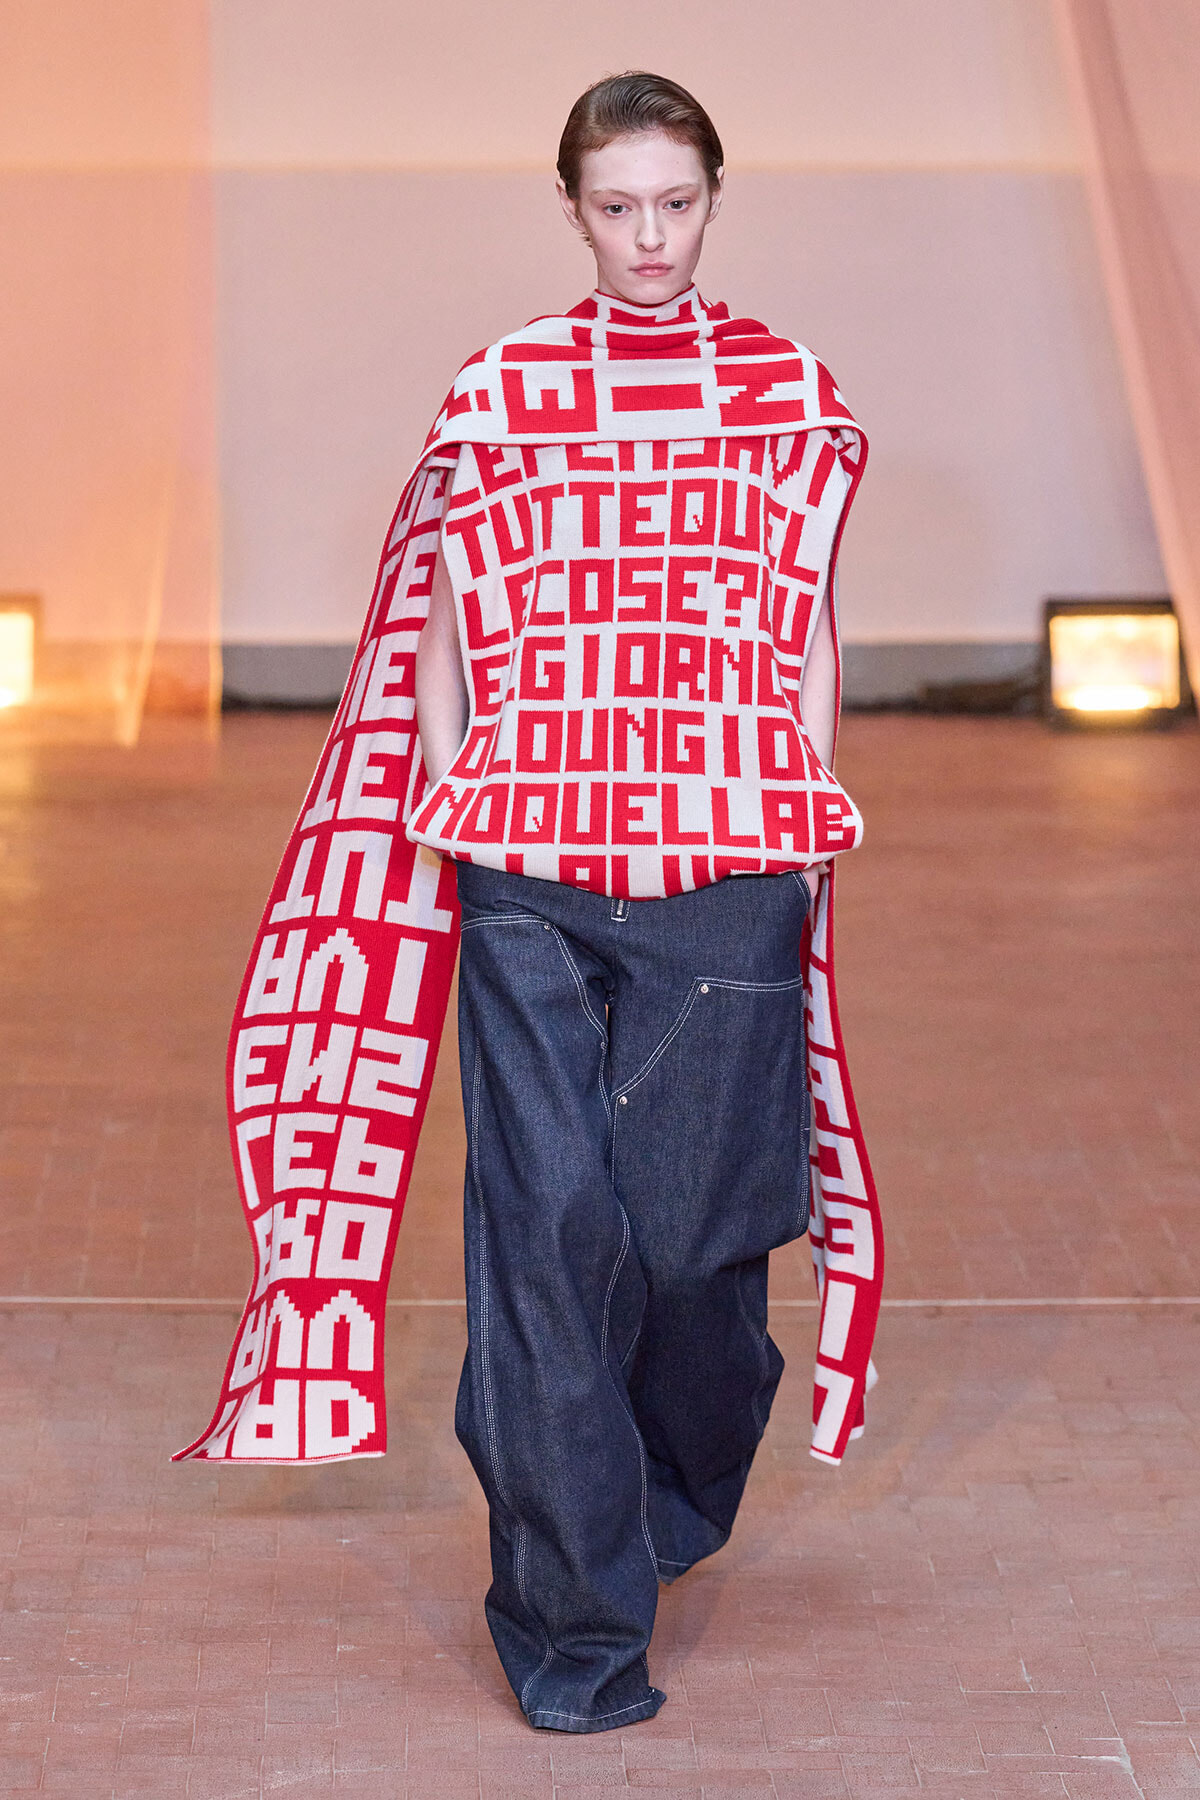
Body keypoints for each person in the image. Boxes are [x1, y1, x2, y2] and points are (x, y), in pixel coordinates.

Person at [177, 71, 882, 1742]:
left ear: (717, 198)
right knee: (546, 1236)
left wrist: (804, 819)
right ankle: (574, 1625)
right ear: (569, 206)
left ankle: (665, 1488)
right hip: (529, 865)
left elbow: (807, 628)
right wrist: (450, 797)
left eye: (677, 203)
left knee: (703, 1243)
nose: (649, 237)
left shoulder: (785, 389)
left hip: (726, 867)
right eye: (616, 206)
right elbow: (437, 620)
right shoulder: (501, 392)